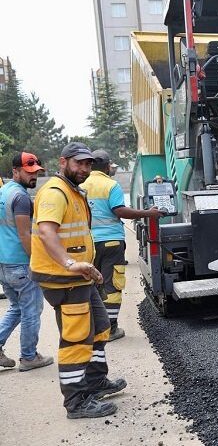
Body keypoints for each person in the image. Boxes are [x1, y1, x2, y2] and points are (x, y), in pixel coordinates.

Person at [30, 142, 126, 419]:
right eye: (78, 163)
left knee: (101, 326)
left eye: (87, 164)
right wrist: (72, 263)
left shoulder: (74, 191)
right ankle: (76, 401)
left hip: (79, 275)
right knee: (76, 338)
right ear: (63, 162)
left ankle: (95, 382)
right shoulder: (55, 192)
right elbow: (47, 232)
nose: (84, 168)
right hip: (63, 278)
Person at [80, 150, 163, 341]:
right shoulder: (111, 185)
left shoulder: (80, 185)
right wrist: (148, 213)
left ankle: (93, 327)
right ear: (107, 166)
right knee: (111, 286)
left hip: (88, 244)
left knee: (92, 285)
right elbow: (120, 211)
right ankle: (110, 329)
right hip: (111, 242)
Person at [0, 152, 54, 371]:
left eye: (36, 173)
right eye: (28, 172)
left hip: (4, 263)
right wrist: (37, 261)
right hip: (21, 264)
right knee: (31, 311)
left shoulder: (3, 192)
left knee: (17, 308)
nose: (34, 177)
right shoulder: (21, 198)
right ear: (15, 171)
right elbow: (24, 234)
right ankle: (29, 357)